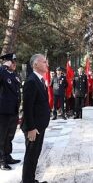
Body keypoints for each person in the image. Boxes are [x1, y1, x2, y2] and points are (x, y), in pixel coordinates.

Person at [21, 53, 50, 183]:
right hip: (34, 128)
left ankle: (30, 179)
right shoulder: (31, 81)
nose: (47, 64)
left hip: (39, 125)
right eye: (44, 62)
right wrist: (31, 128)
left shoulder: (39, 80)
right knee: (31, 155)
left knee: (35, 154)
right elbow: (27, 107)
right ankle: (27, 181)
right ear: (35, 64)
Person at [0, 53, 21, 170]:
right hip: (3, 111)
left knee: (10, 135)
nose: (14, 64)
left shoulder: (14, 75)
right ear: (7, 62)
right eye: (12, 62)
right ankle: (1, 160)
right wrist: (3, 66)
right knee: (1, 136)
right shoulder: (2, 72)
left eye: (15, 61)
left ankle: (7, 156)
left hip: (13, 110)